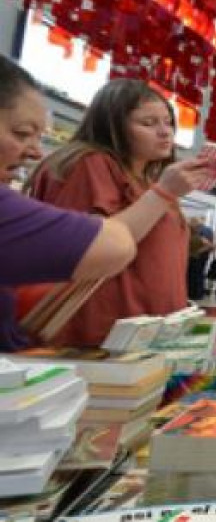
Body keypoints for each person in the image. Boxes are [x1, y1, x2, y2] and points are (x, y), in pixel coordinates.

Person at [26, 78, 210, 347]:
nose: (165, 132)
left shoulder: (147, 179)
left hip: (148, 335)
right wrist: (163, 194)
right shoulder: (89, 164)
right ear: (111, 125)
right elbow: (93, 246)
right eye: (148, 123)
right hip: (102, 337)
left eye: (168, 122)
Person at [0, 56, 140, 351]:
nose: (35, 151)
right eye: (22, 133)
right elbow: (113, 246)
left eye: (168, 122)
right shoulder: (87, 165)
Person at [187, 217, 213, 301]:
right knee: (198, 275)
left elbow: (210, 245)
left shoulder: (191, 236)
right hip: (197, 258)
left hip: (192, 258)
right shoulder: (199, 236)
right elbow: (210, 245)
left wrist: (197, 251)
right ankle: (197, 294)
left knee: (191, 276)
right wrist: (199, 251)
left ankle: (192, 294)